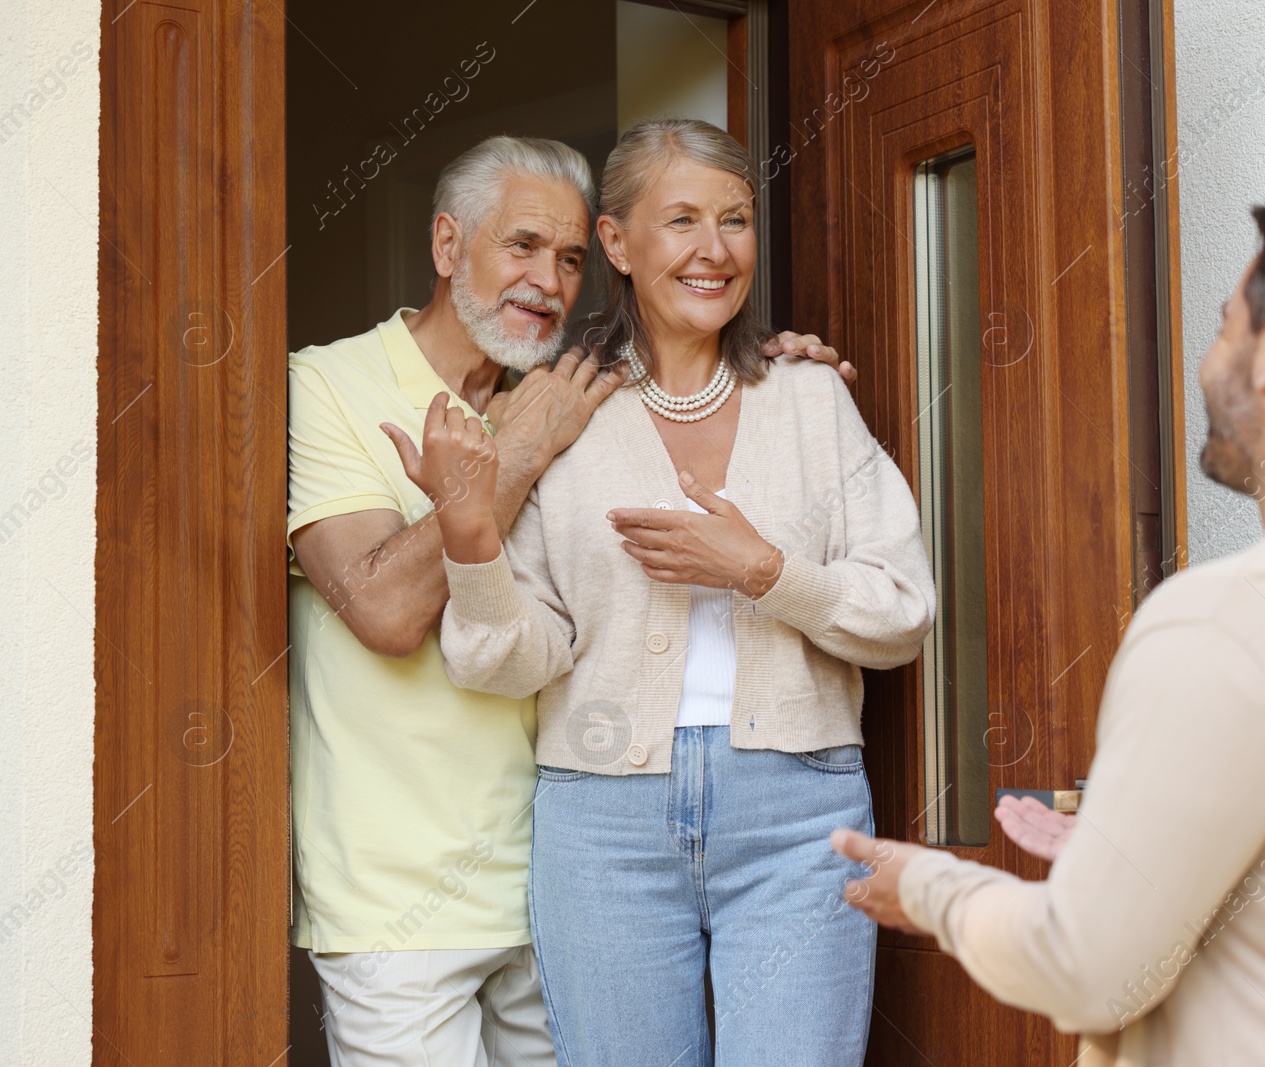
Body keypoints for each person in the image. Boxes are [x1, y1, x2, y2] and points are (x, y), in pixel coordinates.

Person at [834, 197, 1265, 1067]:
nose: (1208, 362)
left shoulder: (1229, 618)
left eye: (1225, 326)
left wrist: (931, 886)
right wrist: (1142, 851)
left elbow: (1086, 968)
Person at [288, 133, 852, 1065]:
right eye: (521, 246)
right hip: (397, 898)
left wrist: (781, 374)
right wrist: (522, 449)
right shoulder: (326, 384)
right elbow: (383, 609)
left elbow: (706, 412)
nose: (548, 280)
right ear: (444, 245)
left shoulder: (573, 395)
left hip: (567, 877)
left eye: (569, 257)